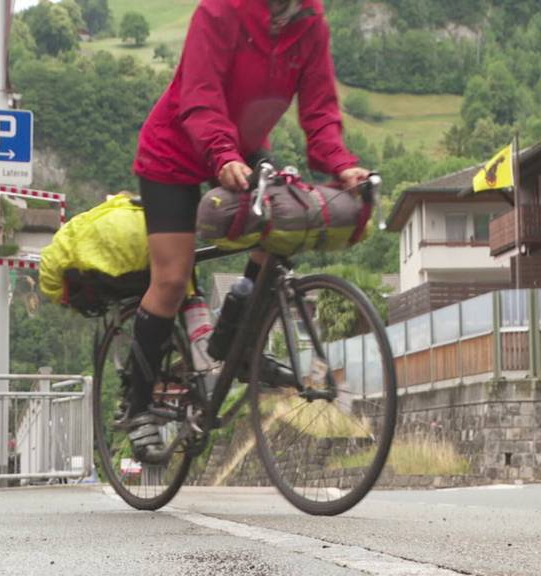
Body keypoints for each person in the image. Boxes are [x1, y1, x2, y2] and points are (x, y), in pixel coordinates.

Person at [120, 0, 370, 461]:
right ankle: (137, 408)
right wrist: (223, 155)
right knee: (172, 279)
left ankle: (233, 339)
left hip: (243, 148)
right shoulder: (219, 11)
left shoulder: (310, 22)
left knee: (284, 225)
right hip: (175, 149)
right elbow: (199, 94)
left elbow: (320, 111)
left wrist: (342, 165)